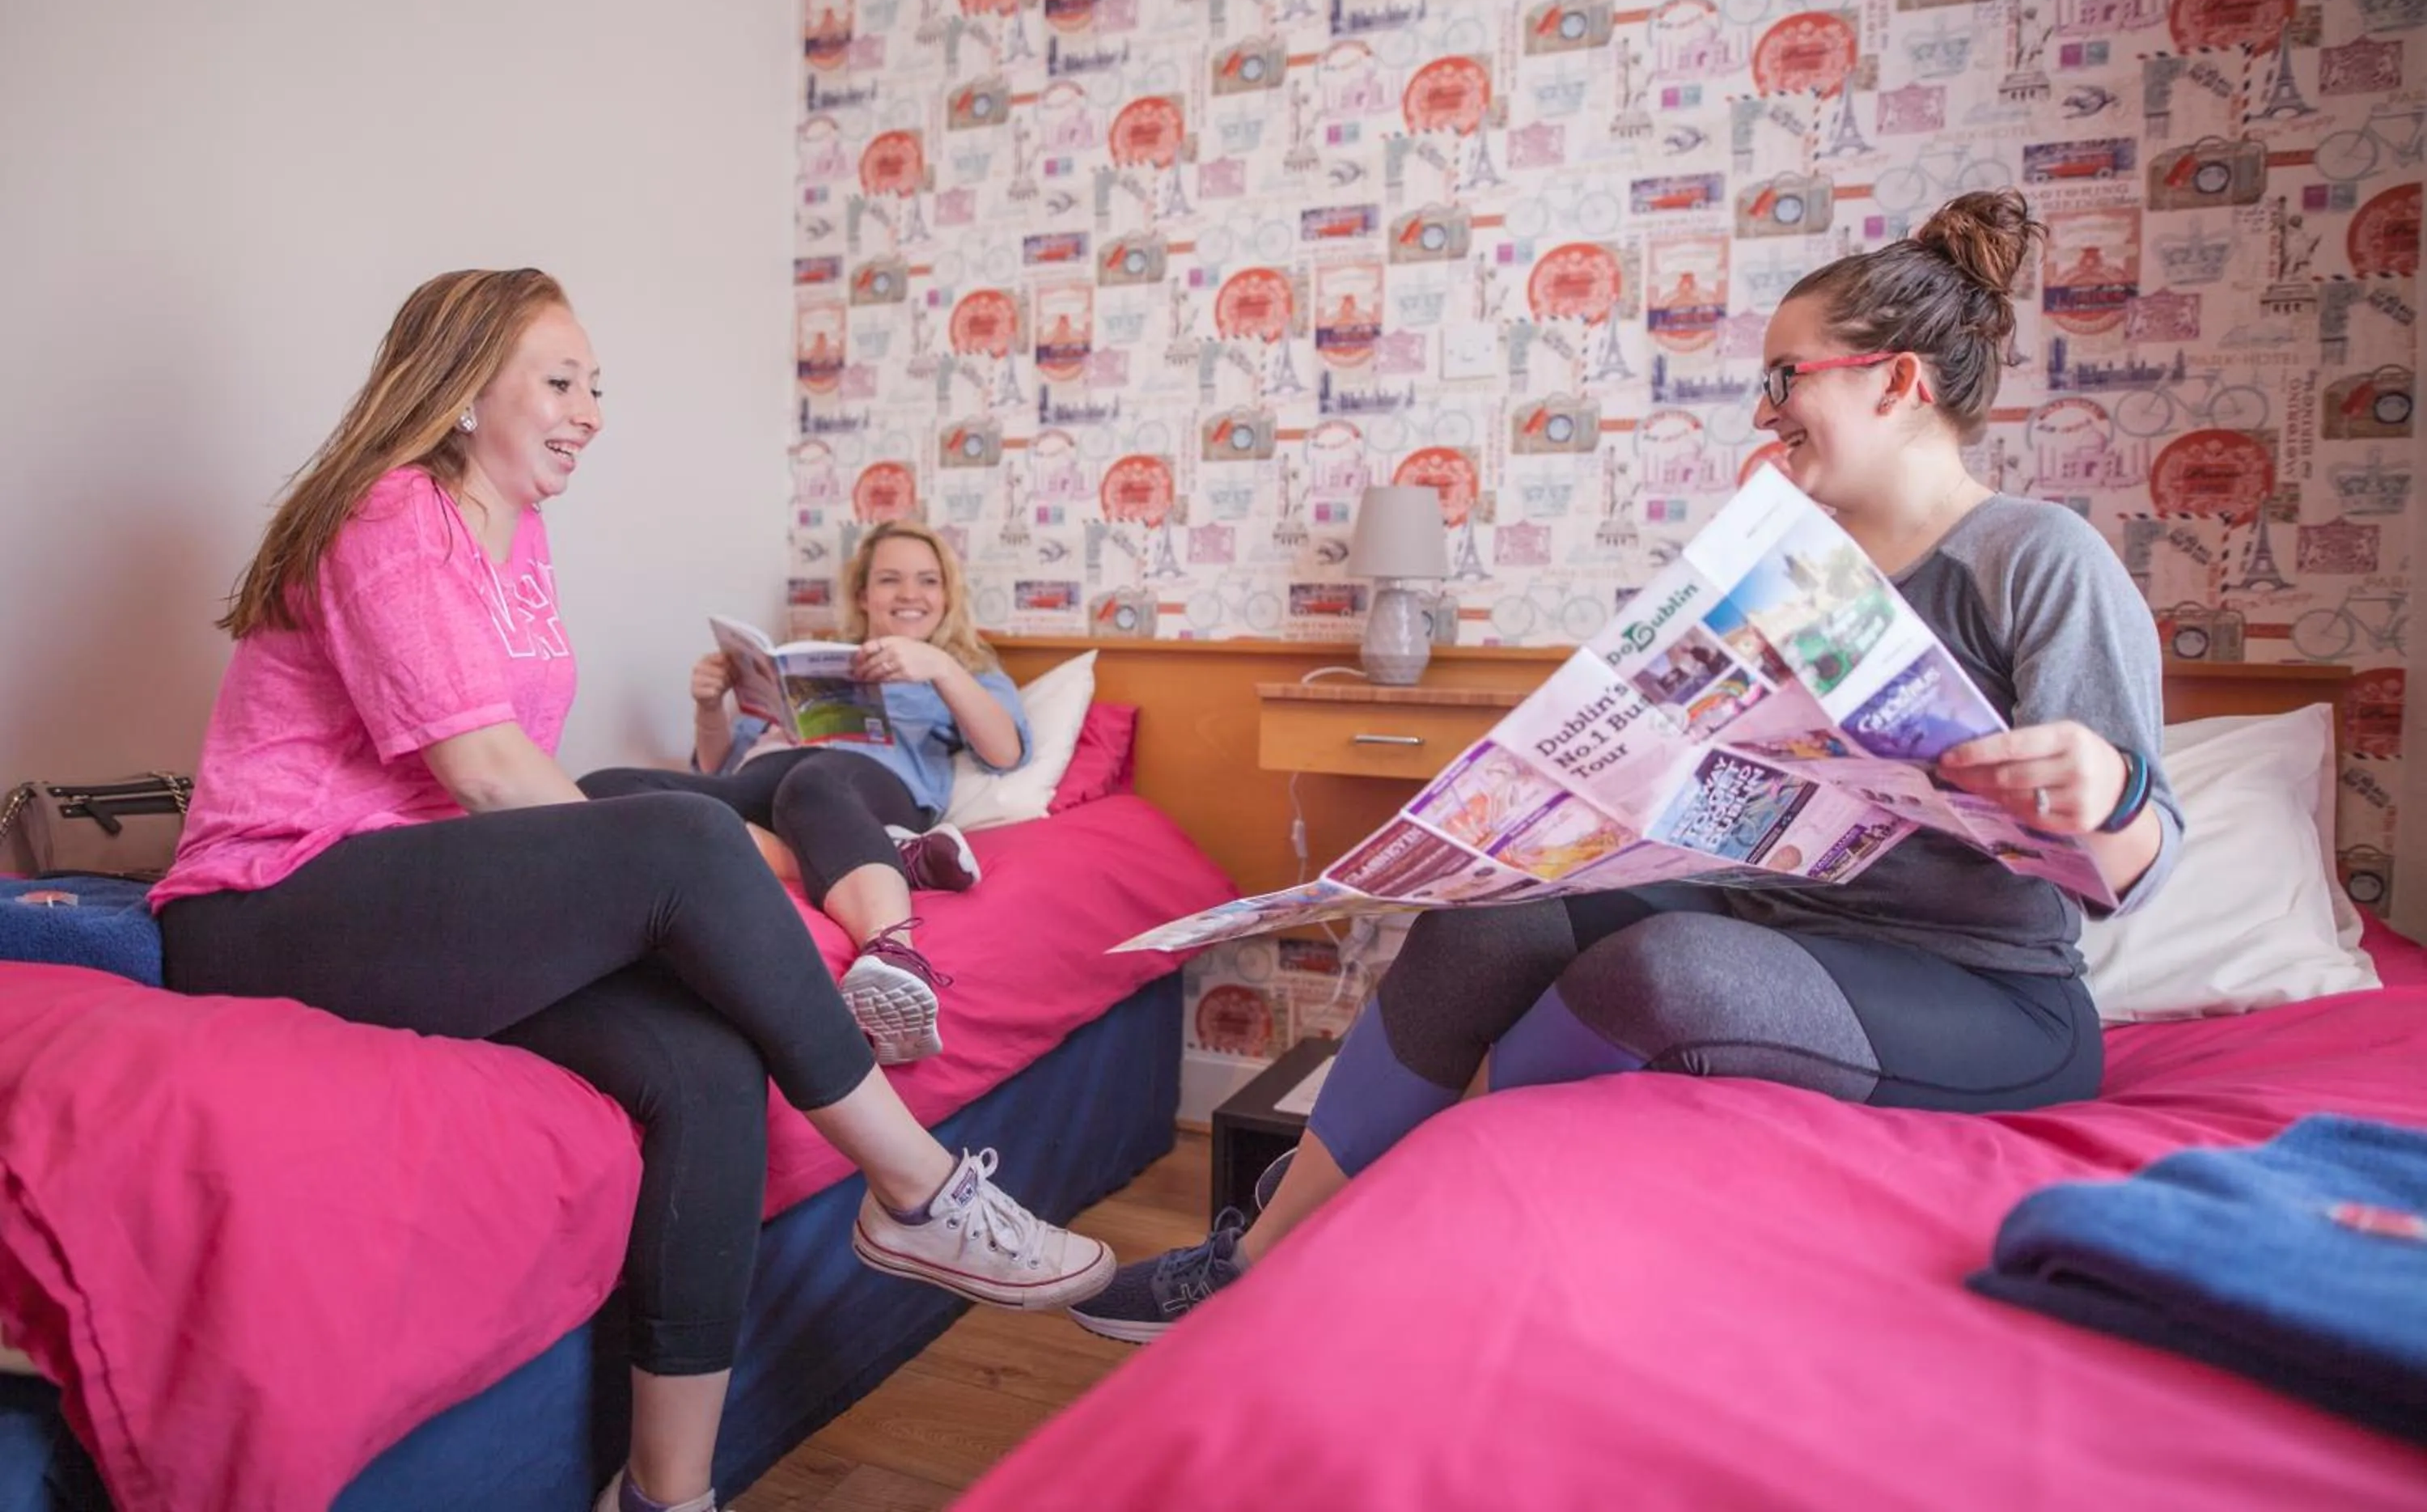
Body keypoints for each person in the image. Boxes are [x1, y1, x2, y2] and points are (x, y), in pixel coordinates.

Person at [1070, 190, 2183, 1343]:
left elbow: (2138, 871)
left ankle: (1400, 1249)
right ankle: (1258, 1260)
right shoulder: (1798, 564)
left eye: (1786, 377)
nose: (1768, 409)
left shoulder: (2040, 558)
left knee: (1666, 967)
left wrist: (2108, 791)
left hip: (1985, 993)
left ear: (1896, 384)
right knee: (1488, 913)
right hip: (1783, 911)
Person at [150, 270, 1112, 1512]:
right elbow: (491, 776)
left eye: (595, 385)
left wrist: (659, 890)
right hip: (273, 903)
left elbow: (503, 785)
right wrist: (666, 875)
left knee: (710, 1065)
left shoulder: (518, 533)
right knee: (675, 837)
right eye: (561, 382)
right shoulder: (392, 515)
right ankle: (918, 1187)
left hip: (412, 887)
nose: (591, 410)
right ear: (457, 392)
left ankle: (667, 1494)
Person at [583, 518, 1021, 1065]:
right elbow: (719, 768)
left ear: (947, 594)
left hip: (857, 787)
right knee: (606, 789)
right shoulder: (815, 659)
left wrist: (940, 667)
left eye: (927, 580)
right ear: (863, 594)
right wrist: (709, 706)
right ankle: (895, 855)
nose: (910, 593)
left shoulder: (966, 669)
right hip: (764, 780)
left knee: (813, 780)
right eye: (890, 579)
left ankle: (895, 954)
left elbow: (1004, 752)